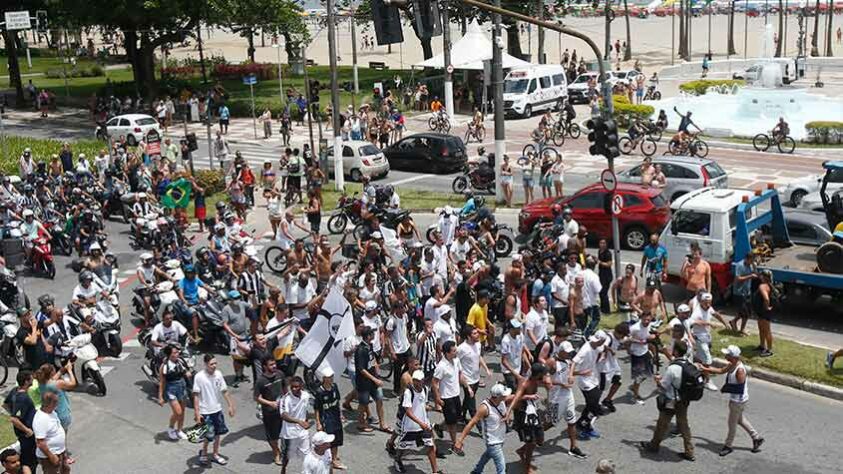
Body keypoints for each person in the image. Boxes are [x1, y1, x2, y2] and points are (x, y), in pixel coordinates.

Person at [700, 345, 766, 456]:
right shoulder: (732, 364)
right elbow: (720, 370)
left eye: (728, 355)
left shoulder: (739, 370)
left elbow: (740, 386)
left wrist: (726, 388)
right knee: (740, 420)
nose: (725, 356)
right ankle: (756, 438)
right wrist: (705, 368)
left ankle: (728, 446)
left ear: (734, 357)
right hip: (736, 400)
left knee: (732, 424)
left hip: (738, 401)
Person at [640, 340, 696, 462]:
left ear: (675, 351)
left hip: (671, 401)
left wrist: (657, 380)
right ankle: (689, 451)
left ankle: (654, 446)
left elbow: (663, 387)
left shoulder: (673, 368)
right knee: (684, 425)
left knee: (662, 424)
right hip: (683, 400)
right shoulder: (688, 363)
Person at [455, 383, 516, 474]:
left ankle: (476, 471)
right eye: (504, 395)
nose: (506, 397)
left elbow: (517, 396)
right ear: (498, 396)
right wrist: (460, 440)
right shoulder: (484, 408)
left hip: (499, 439)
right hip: (493, 442)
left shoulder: (501, 401)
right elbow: (471, 423)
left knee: (487, 455)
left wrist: (509, 412)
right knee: (501, 470)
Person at [192, 354, 236, 467]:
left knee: (218, 434)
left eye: (215, 363)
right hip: (205, 411)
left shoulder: (218, 374)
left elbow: (224, 391)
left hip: (217, 410)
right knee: (208, 435)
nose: (214, 366)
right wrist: (197, 413)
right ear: (206, 364)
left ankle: (215, 454)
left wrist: (230, 405)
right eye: (211, 364)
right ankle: (204, 453)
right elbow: (196, 395)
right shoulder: (199, 377)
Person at [393, 370, 440, 474]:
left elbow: (423, 405)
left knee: (430, 446)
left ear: (423, 381)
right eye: (415, 380)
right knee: (403, 446)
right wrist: (420, 423)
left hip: (423, 425)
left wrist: (434, 408)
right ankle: (397, 460)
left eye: (419, 381)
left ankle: (435, 472)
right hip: (410, 426)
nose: (417, 383)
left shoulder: (425, 390)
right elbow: (408, 412)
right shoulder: (408, 392)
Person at [508, 363, 548, 474]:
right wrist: (508, 413)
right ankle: (527, 468)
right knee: (531, 443)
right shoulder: (525, 383)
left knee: (540, 440)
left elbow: (548, 381)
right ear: (538, 374)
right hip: (523, 415)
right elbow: (515, 398)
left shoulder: (537, 380)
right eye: (543, 373)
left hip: (533, 412)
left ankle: (521, 451)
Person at [432, 340, 470, 455]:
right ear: (447, 353)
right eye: (454, 351)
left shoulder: (456, 360)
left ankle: (439, 427)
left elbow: (459, 375)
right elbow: (434, 382)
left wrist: (468, 387)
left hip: (456, 395)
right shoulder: (441, 366)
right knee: (453, 423)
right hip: (446, 397)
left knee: (454, 418)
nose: (456, 352)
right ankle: (455, 445)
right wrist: (438, 398)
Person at [572, 331, 606, 440]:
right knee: (594, 406)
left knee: (592, 405)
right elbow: (573, 363)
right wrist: (577, 373)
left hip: (593, 379)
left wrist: (601, 356)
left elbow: (602, 349)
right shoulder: (585, 350)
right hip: (585, 382)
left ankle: (584, 425)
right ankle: (581, 426)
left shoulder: (597, 346)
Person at [313, 367, 347, 471]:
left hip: (336, 418)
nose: (331, 379)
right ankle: (329, 460)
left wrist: (341, 414)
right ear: (323, 378)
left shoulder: (334, 387)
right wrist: (318, 423)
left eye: (332, 376)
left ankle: (334, 458)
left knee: (337, 439)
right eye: (329, 377)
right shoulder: (319, 392)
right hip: (326, 420)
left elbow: (337, 402)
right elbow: (317, 409)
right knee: (328, 440)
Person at [254, 356, 285, 466]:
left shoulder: (280, 374)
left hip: (282, 410)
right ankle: (276, 453)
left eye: (274, 364)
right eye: (271, 365)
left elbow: (285, 389)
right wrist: (270, 403)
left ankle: (284, 450)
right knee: (273, 435)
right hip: (269, 412)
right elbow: (256, 397)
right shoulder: (261, 381)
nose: (274, 366)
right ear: (265, 367)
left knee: (284, 432)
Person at [279, 375, 313, 474]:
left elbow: (306, 410)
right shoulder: (285, 399)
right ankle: (283, 469)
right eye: (292, 387)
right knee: (286, 456)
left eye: (296, 387)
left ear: (301, 386)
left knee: (306, 455)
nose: (294, 389)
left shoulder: (306, 395)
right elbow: (284, 415)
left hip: (303, 432)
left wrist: (309, 421)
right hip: (289, 433)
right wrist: (298, 421)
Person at [4, 371, 37, 473]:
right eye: (31, 378)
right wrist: (28, 430)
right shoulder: (23, 398)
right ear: (27, 381)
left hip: (23, 436)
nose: (33, 379)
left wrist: (14, 412)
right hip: (27, 437)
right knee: (29, 462)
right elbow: (14, 419)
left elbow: (5, 405)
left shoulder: (15, 390)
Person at [158, 344, 191, 441]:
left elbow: (185, 370)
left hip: (182, 387)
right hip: (171, 390)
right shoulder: (164, 366)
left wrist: (187, 374)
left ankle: (180, 430)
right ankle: (171, 428)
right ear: (169, 355)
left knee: (183, 411)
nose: (177, 354)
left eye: (177, 352)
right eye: (175, 352)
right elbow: (162, 382)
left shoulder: (180, 361)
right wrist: (160, 397)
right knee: (178, 412)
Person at [33, 391, 69, 474]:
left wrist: (63, 451)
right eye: (56, 403)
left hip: (60, 451)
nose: (57, 404)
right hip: (50, 456)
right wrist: (52, 457)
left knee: (66, 469)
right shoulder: (40, 419)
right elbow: (40, 443)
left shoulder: (52, 412)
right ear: (50, 404)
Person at [628, 312, 657, 404]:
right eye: (644, 320)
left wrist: (652, 337)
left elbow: (651, 335)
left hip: (645, 352)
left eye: (648, 320)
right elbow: (627, 338)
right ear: (641, 319)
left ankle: (634, 387)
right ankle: (635, 397)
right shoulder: (635, 328)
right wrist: (639, 341)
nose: (646, 321)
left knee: (649, 373)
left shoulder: (650, 326)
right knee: (638, 377)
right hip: (636, 354)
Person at [730, 253, 757, 336]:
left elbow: (755, 274)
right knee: (744, 312)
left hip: (747, 291)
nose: (752, 262)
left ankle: (734, 321)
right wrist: (749, 276)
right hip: (739, 292)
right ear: (747, 259)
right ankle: (741, 329)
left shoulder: (751, 265)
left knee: (747, 312)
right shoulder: (740, 265)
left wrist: (754, 267)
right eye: (751, 260)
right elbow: (738, 278)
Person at [753, 270, 775, 357]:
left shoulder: (763, 286)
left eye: (761, 275)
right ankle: (762, 346)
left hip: (764, 312)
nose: (760, 277)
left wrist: (766, 308)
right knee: (761, 329)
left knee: (767, 331)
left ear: (764, 277)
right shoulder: (769, 285)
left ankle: (769, 350)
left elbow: (766, 299)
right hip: (761, 312)